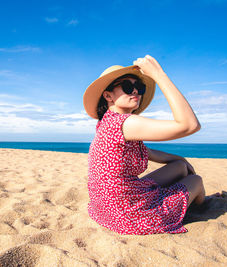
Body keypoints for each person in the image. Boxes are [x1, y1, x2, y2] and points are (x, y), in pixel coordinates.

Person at [83, 55, 219, 235]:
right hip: (128, 215)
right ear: (108, 96)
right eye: (127, 87)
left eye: (139, 87)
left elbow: (150, 152)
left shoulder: (107, 123)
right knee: (196, 179)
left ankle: (192, 194)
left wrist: (182, 161)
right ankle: (200, 202)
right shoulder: (125, 123)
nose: (136, 92)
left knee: (179, 167)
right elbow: (190, 125)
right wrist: (158, 75)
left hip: (106, 208)